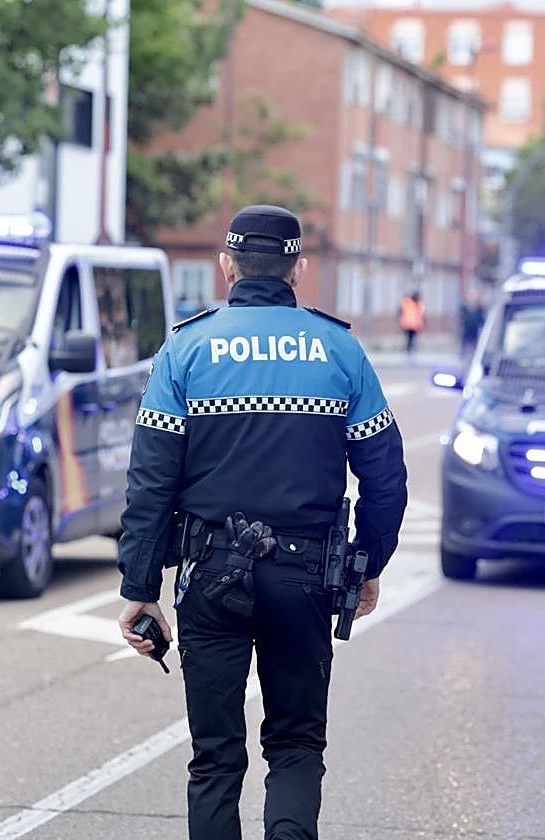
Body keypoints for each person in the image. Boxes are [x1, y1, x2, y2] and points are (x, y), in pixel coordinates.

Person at [116, 204, 408, 840]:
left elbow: (150, 483)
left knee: (216, 757)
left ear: (227, 265)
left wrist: (139, 586)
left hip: (210, 575)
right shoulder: (340, 350)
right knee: (296, 745)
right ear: (297, 268)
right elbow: (386, 477)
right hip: (306, 577)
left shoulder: (185, 349)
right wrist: (366, 564)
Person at [398, 291, 424, 359]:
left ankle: (410, 352)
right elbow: (400, 311)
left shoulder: (420, 304)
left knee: (413, 340)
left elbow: (422, 315)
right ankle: (408, 352)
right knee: (408, 339)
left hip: (415, 326)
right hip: (407, 325)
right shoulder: (407, 302)